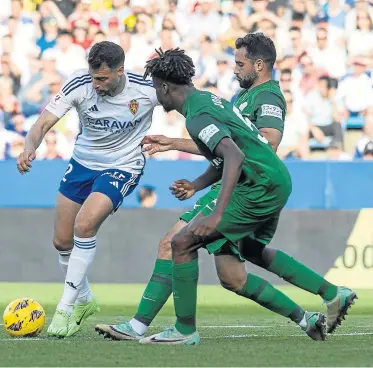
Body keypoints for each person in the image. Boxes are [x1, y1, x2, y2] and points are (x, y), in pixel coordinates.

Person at [95, 34, 355, 342]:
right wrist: (195, 181)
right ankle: (314, 311)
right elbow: (227, 149)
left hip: (254, 184)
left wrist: (218, 211)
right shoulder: (220, 101)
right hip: (259, 180)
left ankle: (165, 328)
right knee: (237, 269)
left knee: (177, 243)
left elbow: (252, 147)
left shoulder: (264, 97)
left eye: (239, 63)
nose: (234, 69)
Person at [16, 41, 159, 337]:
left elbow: (189, 102)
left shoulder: (147, 91)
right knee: (61, 241)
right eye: (93, 77)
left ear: (120, 71)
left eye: (103, 79)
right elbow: (42, 124)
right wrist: (28, 148)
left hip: (123, 164)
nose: (95, 84)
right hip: (82, 164)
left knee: (85, 224)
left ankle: (65, 308)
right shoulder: (80, 83)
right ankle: (84, 300)